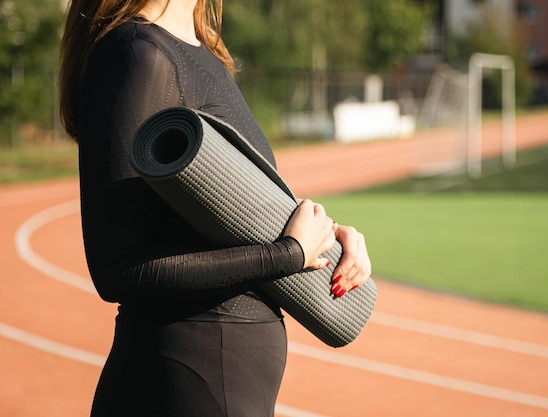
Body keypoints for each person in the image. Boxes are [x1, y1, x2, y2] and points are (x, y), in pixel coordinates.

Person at [58, 0, 371, 416]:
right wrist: (288, 254)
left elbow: (227, 210)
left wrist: (325, 237)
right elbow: (117, 269)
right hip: (188, 375)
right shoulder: (137, 52)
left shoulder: (206, 54)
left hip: (222, 379)